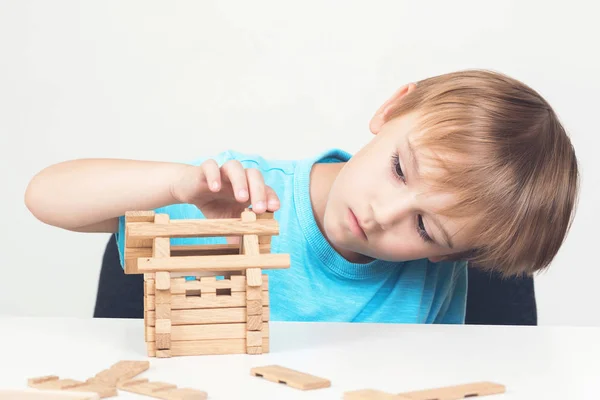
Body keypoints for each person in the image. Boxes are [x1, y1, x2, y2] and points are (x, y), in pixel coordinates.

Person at [24, 69, 580, 324]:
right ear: (390, 112)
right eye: (398, 170)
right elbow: (44, 196)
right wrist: (177, 185)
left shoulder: (440, 283)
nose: (382, 216)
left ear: (450, 255)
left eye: (425, 229)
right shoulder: (232, 197)